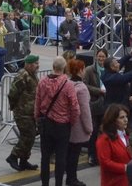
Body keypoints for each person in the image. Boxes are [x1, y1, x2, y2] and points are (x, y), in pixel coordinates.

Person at [36, 56, 80, 186]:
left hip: (46, 123)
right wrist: (71, 121)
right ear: (64, 68)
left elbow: (37, 103)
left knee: (45, 157)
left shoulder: (42, 82)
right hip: (62, 125)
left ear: (53, 67)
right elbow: (75, 107)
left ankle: (44, 183)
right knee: (61, 157)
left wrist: (37, 118)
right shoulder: (68, 85)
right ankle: (58, 183)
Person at [7, 54, 40, 172]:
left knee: (30, 137)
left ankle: (24, 161)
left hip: (30, 112)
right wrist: (16, 107)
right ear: (30, 65)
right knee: (28, 136)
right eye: (36, 64)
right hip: (22, 113)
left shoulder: (32, 75)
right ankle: (13, 156)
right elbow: (12, 93)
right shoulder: (23, 76)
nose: (38, 66)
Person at [65, 58, 93, 186]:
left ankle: (69, 178)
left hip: (66, 125)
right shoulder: (81, 88)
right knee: (74, 155)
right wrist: (89, 128)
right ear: (81, 70)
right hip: (78, 127)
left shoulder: (66, 83)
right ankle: (72, 179)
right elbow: (85, 111)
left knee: (68, 153)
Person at [95, 104, 132, 186]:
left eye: (126, 117)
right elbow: (105, 163)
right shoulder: (104, 139)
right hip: (113, 182)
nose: (126, 120)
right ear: (113, 120)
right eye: (122, 117)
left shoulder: (128, 135)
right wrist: (125, 168)